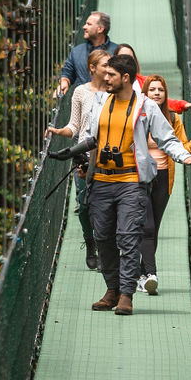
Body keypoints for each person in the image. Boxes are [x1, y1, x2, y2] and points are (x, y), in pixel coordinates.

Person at [81, 53, 191, 315]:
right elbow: (91, 137)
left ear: (125, 77)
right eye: (105, 73)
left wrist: (184, 156)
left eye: (111, 74)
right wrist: (79, 159)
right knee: (102, 237)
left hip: (131, 181)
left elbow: (167, 138)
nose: (105, 78)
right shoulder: (100, 100)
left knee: (128, 237)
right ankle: (111, 290)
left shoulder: (145, 106)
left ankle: (126, 294)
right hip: (101, 179)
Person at [136, 74, 191, 297]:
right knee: (146, 226)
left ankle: (142, 275)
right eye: (152, 89)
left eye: (160, 89)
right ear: (145, 93)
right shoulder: (138, 116)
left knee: (153, 227)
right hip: (141, 177)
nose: (157, 93)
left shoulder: (173, 119)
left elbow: (180, 147)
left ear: (165, 94)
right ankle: (151, 274)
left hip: (163, 177)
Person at [46, 47, 109, 269]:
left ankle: (103, 249)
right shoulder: (81, 92)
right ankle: (90, 241)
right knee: (84, 207)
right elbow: (74, 126)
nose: (109, 69)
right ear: (92, 68)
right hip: (83, 154)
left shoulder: (115, 92)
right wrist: (57, 131)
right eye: (104, 65)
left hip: (106, 156)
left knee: (103, 207)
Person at [54, 11, 116, 98]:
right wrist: (64, 81)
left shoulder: (116, 51)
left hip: (109, 103)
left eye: (89, 24)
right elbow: (68, 72)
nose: (84, 27)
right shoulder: (77, 51)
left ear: (100, 29)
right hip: (83, 103)